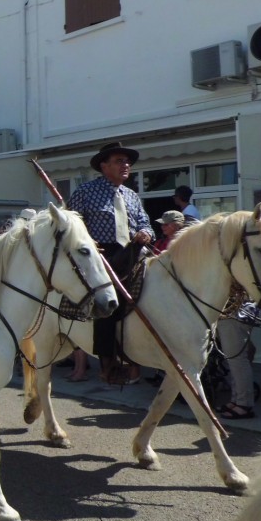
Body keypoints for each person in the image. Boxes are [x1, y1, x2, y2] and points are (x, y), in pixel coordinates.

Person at [66, 141, 152, 384]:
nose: (126, 165)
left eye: (127, 161)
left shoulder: (132, 195)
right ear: (104, 166)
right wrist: (88, 245)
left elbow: (145, 222)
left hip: (134, 251)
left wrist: (146, 233)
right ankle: (107, 362)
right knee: (108, 300)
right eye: (119, 161)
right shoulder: (85, 192)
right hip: (102, 254)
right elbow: (72, 225)